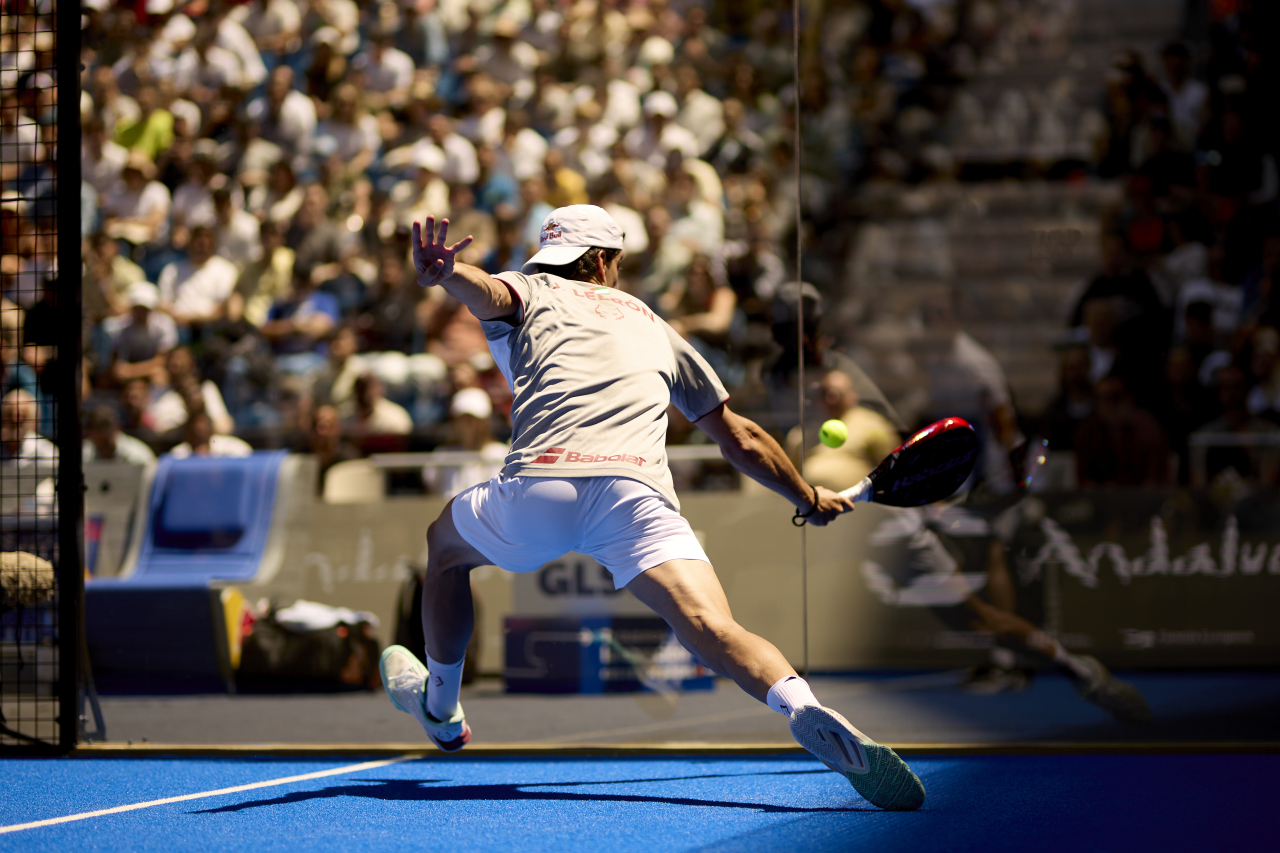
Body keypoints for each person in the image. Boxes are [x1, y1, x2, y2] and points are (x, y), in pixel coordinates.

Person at [377, 206, 926, 812]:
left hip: (544, 486)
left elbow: (488, 292)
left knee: (445, 548)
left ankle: (442, 711)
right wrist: (807, 496)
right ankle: (802, 705)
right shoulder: (651, 321)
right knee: (716, 629)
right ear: (608, 262)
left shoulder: (531, 289)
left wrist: (445, 276)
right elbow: (738, 437)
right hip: (636, 495)